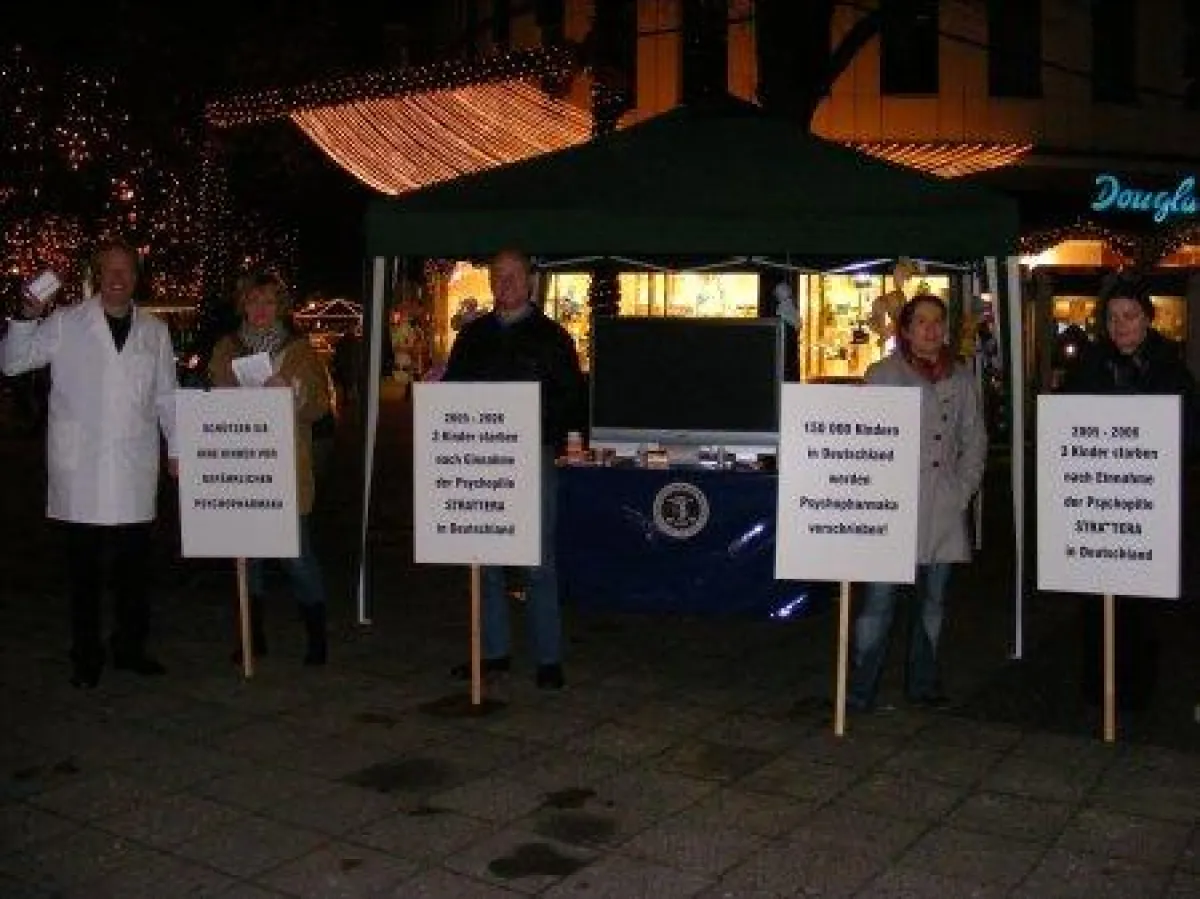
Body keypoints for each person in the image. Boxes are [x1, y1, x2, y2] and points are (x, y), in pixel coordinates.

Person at [0, 238, 179, 688]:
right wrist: (25, 317)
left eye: (126, 270)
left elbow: (167, 397)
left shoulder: (155, 331)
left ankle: (130, 648)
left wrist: (177, 449)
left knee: (134, 570)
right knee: (84, 573)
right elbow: (12, 363)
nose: (117, 279)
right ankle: (86, 655)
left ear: (137, 277)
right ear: (96, 276)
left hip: (133, 465)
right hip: (81, 469)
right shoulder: (65, 323)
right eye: (109, 270)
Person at [441, 248, 585, 689]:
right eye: (496, 278)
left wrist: (531, 417)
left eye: (511, 277)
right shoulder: (472, 337)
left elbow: (571, 400)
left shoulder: (553, 338)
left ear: (529, 282)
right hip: (480, 458)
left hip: (532, 454)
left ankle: (548, 658)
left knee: (538, 558)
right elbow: (452, 394)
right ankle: (494, 652)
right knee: (483, 556)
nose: (503, 286)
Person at [848, 294, 988, 711]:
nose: (930, 329)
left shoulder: (962, 378)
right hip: (891, 507)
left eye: (937, 321)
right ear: (905, 330)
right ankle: (860, 689)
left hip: (942, 507)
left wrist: (962, 490)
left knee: (933, 601)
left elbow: (974, 440)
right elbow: (863, 440)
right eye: (921, 321)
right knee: (878, 602)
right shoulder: (882, 375)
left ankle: (923, 682)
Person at [1061, 281, 1196, 711]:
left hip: (1146, 508)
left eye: (1130, 316)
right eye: (1113, 317)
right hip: (1097, 503)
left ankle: (1136, 691)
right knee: (1097, 602)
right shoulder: (1089, 365)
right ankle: (1097, 689)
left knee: (1141, 605)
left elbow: (1189, 435)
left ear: (1147, 318)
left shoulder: (1170, 370)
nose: (1121, 325)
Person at [208, 271, 332, 666]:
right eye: (253, 301)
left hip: (287, 469)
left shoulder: (299, 350)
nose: (260, 310)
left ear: (280, 307)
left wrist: (291, 391)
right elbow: (212, 395)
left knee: (296, 556)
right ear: (242, 305)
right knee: (248, 555)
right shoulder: (227, 347)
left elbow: (319, 405)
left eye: (268, 302)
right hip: (242, 465)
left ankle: (317, 637)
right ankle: (252, 635)